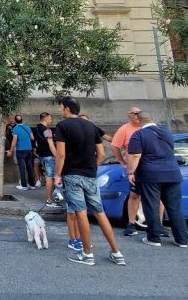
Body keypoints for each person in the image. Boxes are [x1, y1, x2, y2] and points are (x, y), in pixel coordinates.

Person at [54, 97, 125, 266]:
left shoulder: (62, 126)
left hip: (72, 174)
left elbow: (61, 154)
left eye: (61, 107)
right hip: (90, 174)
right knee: (100, 212)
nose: (60, 110)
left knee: (80, 212)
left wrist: (57, 174)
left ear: (66, 109)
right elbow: (100, 153)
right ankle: (116, 252)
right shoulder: (91, 126)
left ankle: (88, 253)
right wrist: (93, 167)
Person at [126, 111, 188, 248]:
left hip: (151, 174)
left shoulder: (138, 135)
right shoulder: (166, 133)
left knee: (151, 206)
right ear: (152, 118)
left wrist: (130, 172)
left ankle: (154, 238)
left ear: (138, 120)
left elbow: (135, 155)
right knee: (175, 207)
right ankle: (182, 239)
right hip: (172, 173)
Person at [111, 107, 146, 236]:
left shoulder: (146, 127)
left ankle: (158, 224)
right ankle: (131, 223)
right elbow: (115, 145)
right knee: (134, 195)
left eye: (139, 113)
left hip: (150, 166)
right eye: (135, 113)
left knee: (157, 197)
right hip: (134, 168)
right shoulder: (124, 129)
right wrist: (122, 162)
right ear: (129, 115)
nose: (138, 115)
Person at [34, 112, 60, 207]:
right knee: (50, 177)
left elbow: (36, 143)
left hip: (41, 155)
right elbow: (51, 145)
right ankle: (49, 200)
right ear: (45, 119)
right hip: (49, 156)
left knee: (49, 176)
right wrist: (57, 156)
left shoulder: (36, 128)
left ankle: (51, 198)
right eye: (50, 119)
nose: (51, 121)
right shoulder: (47, 131)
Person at [7, 114, 36, 190]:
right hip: (29, 149)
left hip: (20, 150)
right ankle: (32, 184)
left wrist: (10, 150)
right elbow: (32, 138)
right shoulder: (27, 127)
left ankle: (24, 185)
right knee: (29, 167)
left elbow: (14, 141)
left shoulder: (15, 129)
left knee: (22, 168)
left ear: (16, 121)